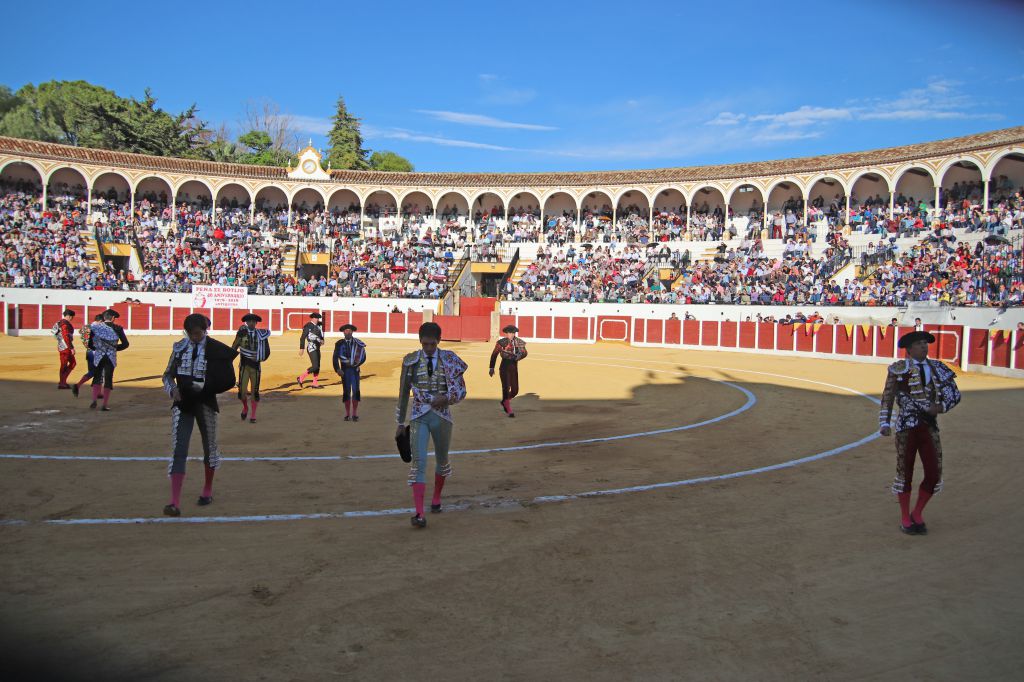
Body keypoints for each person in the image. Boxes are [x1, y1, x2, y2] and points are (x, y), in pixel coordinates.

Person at [879, 330, 962, 535]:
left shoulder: (938, 368)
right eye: (919, 344)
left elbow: (954, 394)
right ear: (909, 349)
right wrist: (884, 422)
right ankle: (906, 517)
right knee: (904, 472)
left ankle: (917, 512)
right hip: (906, 427)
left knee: (934, 473)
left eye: (925, 343)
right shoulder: (899, 369)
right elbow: (888, 396)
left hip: (928, 426)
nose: (924, 346)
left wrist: (941, 407)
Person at [161, 313, 239, 516]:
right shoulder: (179, 347)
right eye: (191, 334)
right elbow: (167, 374)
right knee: (179, 449)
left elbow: (228, 380)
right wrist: (172, 390)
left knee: (210, 447)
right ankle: (174, 502)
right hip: (183, 403)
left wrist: (204, 386)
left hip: (205, 403)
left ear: (205, 331)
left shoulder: (216, 348)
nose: (195, 337)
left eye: (198, 333)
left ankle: (207, 490)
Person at [395, 322, 468, 528]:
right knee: (418, 463)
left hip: (442, 417)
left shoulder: (450, 360)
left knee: (442, 460)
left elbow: (461, 391)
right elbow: (403, 393)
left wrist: (446, 398)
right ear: (420, 341)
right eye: (425, 344)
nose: (428, 348)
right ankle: (419, 513)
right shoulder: (410, 361)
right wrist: (400, 422)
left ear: (439, 341)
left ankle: (436, 498)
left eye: (432, 344)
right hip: (419, 415)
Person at [232, 313, 271, 423]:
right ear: (246, 322)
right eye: (249, 321)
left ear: (256, 323)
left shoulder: (261, 335)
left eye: (253, 321)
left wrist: (259, 357)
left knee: (255, 391)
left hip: (256, 366)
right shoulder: (241, 334)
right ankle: (245, 407)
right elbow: (234, 347)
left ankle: (253, 415)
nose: (251, 323)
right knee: (242, 391)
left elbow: (266, 351)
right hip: (244, 366)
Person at [88, 310, 129, 411]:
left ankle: (94, 400)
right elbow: (125, 344)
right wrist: (114, 348)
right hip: (110, 357)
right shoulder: (118, 328)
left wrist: (99, 349)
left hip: (99, 356)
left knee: (97, 377)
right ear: (113, 318)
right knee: (108, 379)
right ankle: (104, 405)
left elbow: (90, 345)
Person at [489, 324, 528, 417]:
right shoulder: (501, 343)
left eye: (513, 333)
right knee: (506, 387)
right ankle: (507, 406)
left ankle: (505, 401)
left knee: (515, 390)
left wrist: (520, 355)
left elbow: (525, 352)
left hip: (514, 367)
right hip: (504, 366)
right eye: (510, 333)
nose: (512, 335)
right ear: (506, 334)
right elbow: (494, 354)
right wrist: (491, 367)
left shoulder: (519, 342)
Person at [332, 323, 366, 421]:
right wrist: (337, 369)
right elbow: (335, 358)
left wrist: (357, 364)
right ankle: (347, 414)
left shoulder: (358, 343)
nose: (348, 332)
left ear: (352, 332)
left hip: (355, 370)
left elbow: (363, 356)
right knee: (346, 391)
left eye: (350, 331)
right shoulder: (339, 343)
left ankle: (354, 414)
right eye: (346, 330)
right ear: (343, 332)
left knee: (355, 391)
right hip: (345, 371)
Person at [71, 314, 104, 398]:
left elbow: (80, 332)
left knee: (92, 372)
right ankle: (98, 392)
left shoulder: (85, 327)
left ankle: (78, 386)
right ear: (100, 321)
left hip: (89, 352)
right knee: (100, 372)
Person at [297, 312, 325, 389]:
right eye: (316, 318)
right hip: (311, 347)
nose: (317, 320)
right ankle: (301, 377)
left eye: (318, 318)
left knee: (317, 366)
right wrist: (301, 348)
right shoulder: (308, 326)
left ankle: (315, 383)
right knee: (315, 366)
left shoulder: (318, 326)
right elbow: (302, 338)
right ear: (312, 318)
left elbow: (320, 336)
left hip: (317, 347)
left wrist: (322, 340)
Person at [52, 309, 76, 389]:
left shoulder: (59, 323)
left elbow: (53, 333)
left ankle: (62, 381)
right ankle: (62, 383)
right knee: (66, 364)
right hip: (66, 347)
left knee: (69, 364)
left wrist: (59, 340)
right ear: (69, 316)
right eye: (72, 317)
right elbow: (66, 336)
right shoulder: (65, 324)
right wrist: (71, 347)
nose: (72, 319)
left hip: (61, 346)